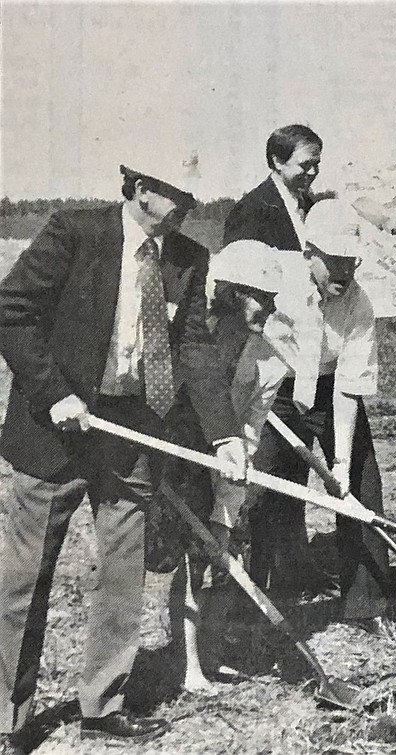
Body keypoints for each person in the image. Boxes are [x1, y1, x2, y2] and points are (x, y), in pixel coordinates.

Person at [0, 159, 246, 751]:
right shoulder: (74, 232)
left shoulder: (187, 257)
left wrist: (225, 434)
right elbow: (12, 312)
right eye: (179, 194)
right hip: (55, 429)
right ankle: (8, 719)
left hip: (130, 430)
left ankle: (102, 704)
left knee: (123, 570)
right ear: (140, 191)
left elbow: (193, 348)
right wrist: (54, 392)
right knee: (25, 578)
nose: (191, 203)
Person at [248, 198, 396, 639]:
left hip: (333, 391)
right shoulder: (278, 284)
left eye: (350, 261)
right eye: (333, 261)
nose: (344, 272)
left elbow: (351, 383)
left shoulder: (358, 303)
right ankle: (255, 600)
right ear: (309, 253)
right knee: (265, 491)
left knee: (362, 488)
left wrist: (343, 464)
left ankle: (368, 603)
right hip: (278, 388)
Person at [223, 124, 332, 596]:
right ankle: (263, 578)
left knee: (296, 469)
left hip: (309, 352)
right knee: (269, 472)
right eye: (304, 163)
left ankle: (294, 569)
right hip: (272, 356)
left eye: (316, 163)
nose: (312, 171)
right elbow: (242, 289)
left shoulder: (312, 207)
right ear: (275, 161)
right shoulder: (251, 211)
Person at [171, 240, 285, 694]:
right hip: (180, 459)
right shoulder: (190, 338)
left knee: (227, 554)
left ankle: (212, 661)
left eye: (275, 300)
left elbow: (250, 436)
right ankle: (188, 666)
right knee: (189, 564)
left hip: (228, 465)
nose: (270, 309)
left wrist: (227, 508)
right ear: (233, 293)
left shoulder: (269, 364)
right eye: (263, 297)